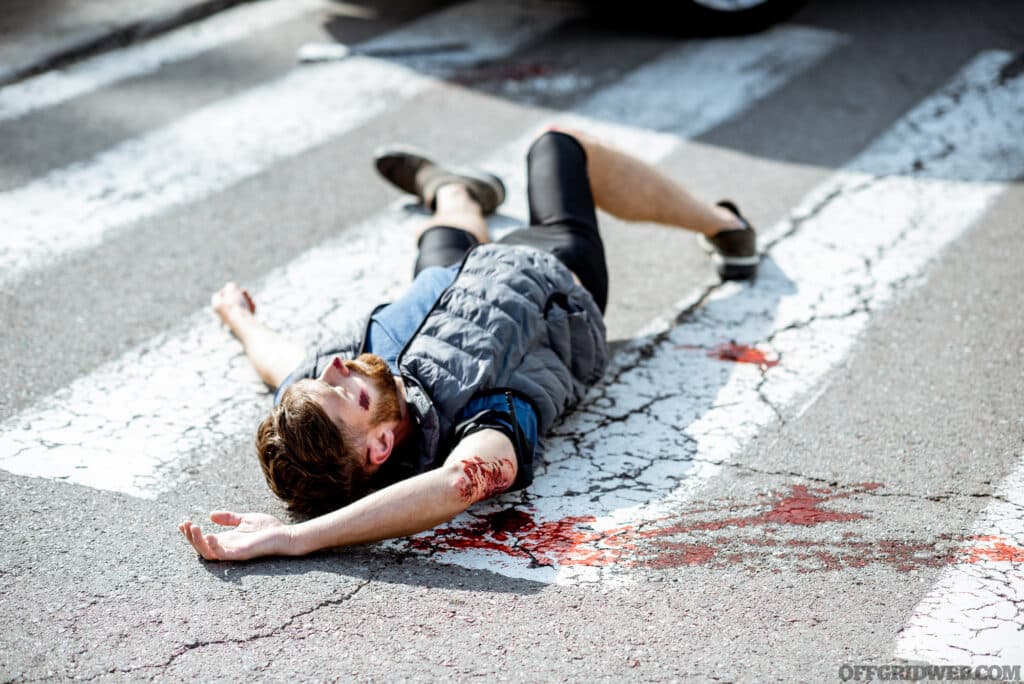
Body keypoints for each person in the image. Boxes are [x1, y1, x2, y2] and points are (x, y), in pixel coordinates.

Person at [179, 127, 757, 561]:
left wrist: (240, 320)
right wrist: (295, 538)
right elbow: (457, 484)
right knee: (557, 145)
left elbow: (280, 366)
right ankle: (724, 222)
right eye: (343, 389)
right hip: (547, 271)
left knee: (447, 232)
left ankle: (454, 189)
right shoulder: (481, 417)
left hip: (449, 282)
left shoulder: (345, 395)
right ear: (381, 447)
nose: (334, 366)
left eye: (322, 377)